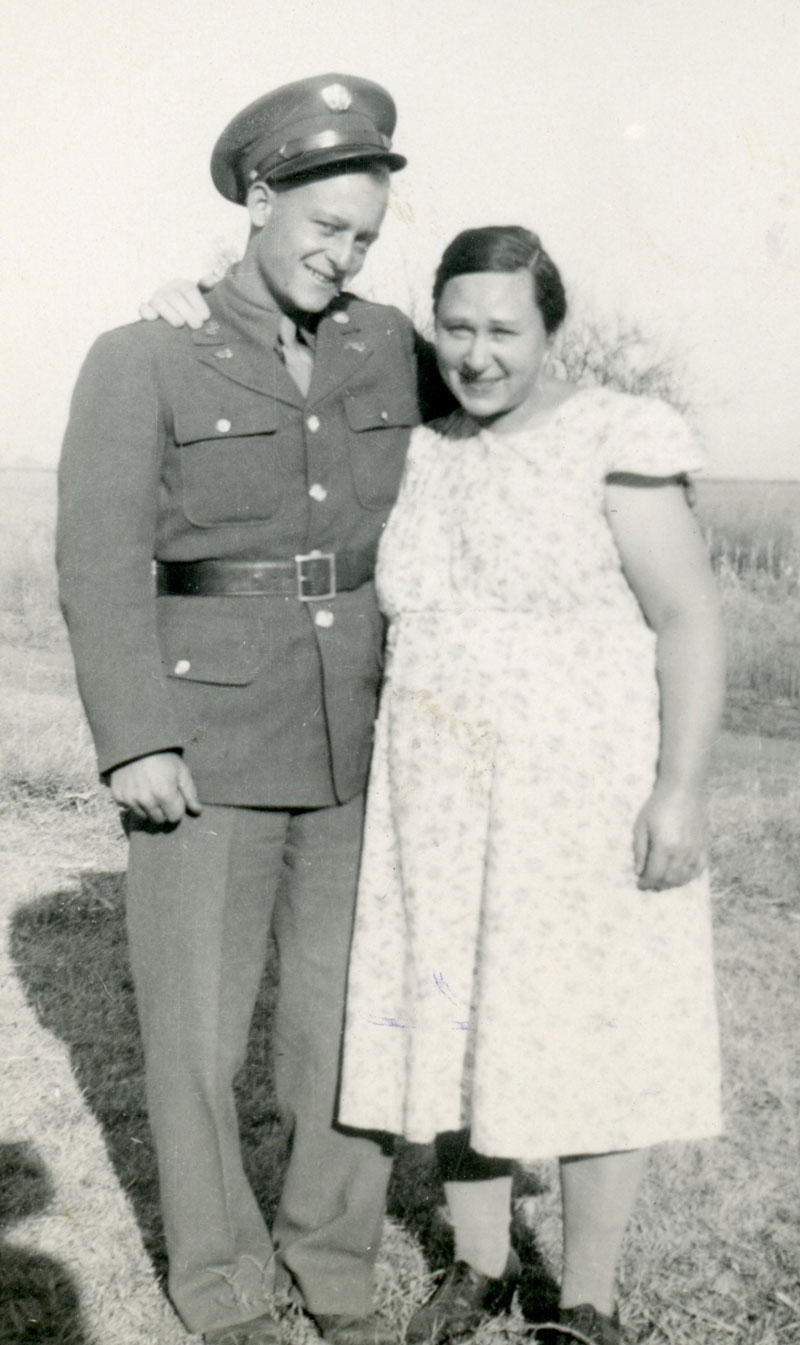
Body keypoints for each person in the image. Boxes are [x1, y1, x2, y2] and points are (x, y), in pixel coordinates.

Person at [57, 74, 451, 1345]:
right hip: (206, 741)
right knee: (196, 1038)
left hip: (359, 736)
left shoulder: (386, 343)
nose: (341, 257)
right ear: (259, 200)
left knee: (344, 1022)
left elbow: (501, 408)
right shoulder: (145, 353)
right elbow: (98, 559)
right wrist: (136, 736)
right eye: (323, 227)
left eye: (364, 239)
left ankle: (333, 1267)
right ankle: (223, 1285)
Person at [334, 226, 726, 1345]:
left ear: (550, 329)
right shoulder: (421, 446)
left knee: (592, 1025)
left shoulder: (614, 434)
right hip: (439, 798)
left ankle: (589, 1296)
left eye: (503, 328)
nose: (476, 351)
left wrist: (680, 789)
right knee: (460, 1020)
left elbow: (689, 617)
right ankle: (478, 1264)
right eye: (454, 326)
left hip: (581, 792)